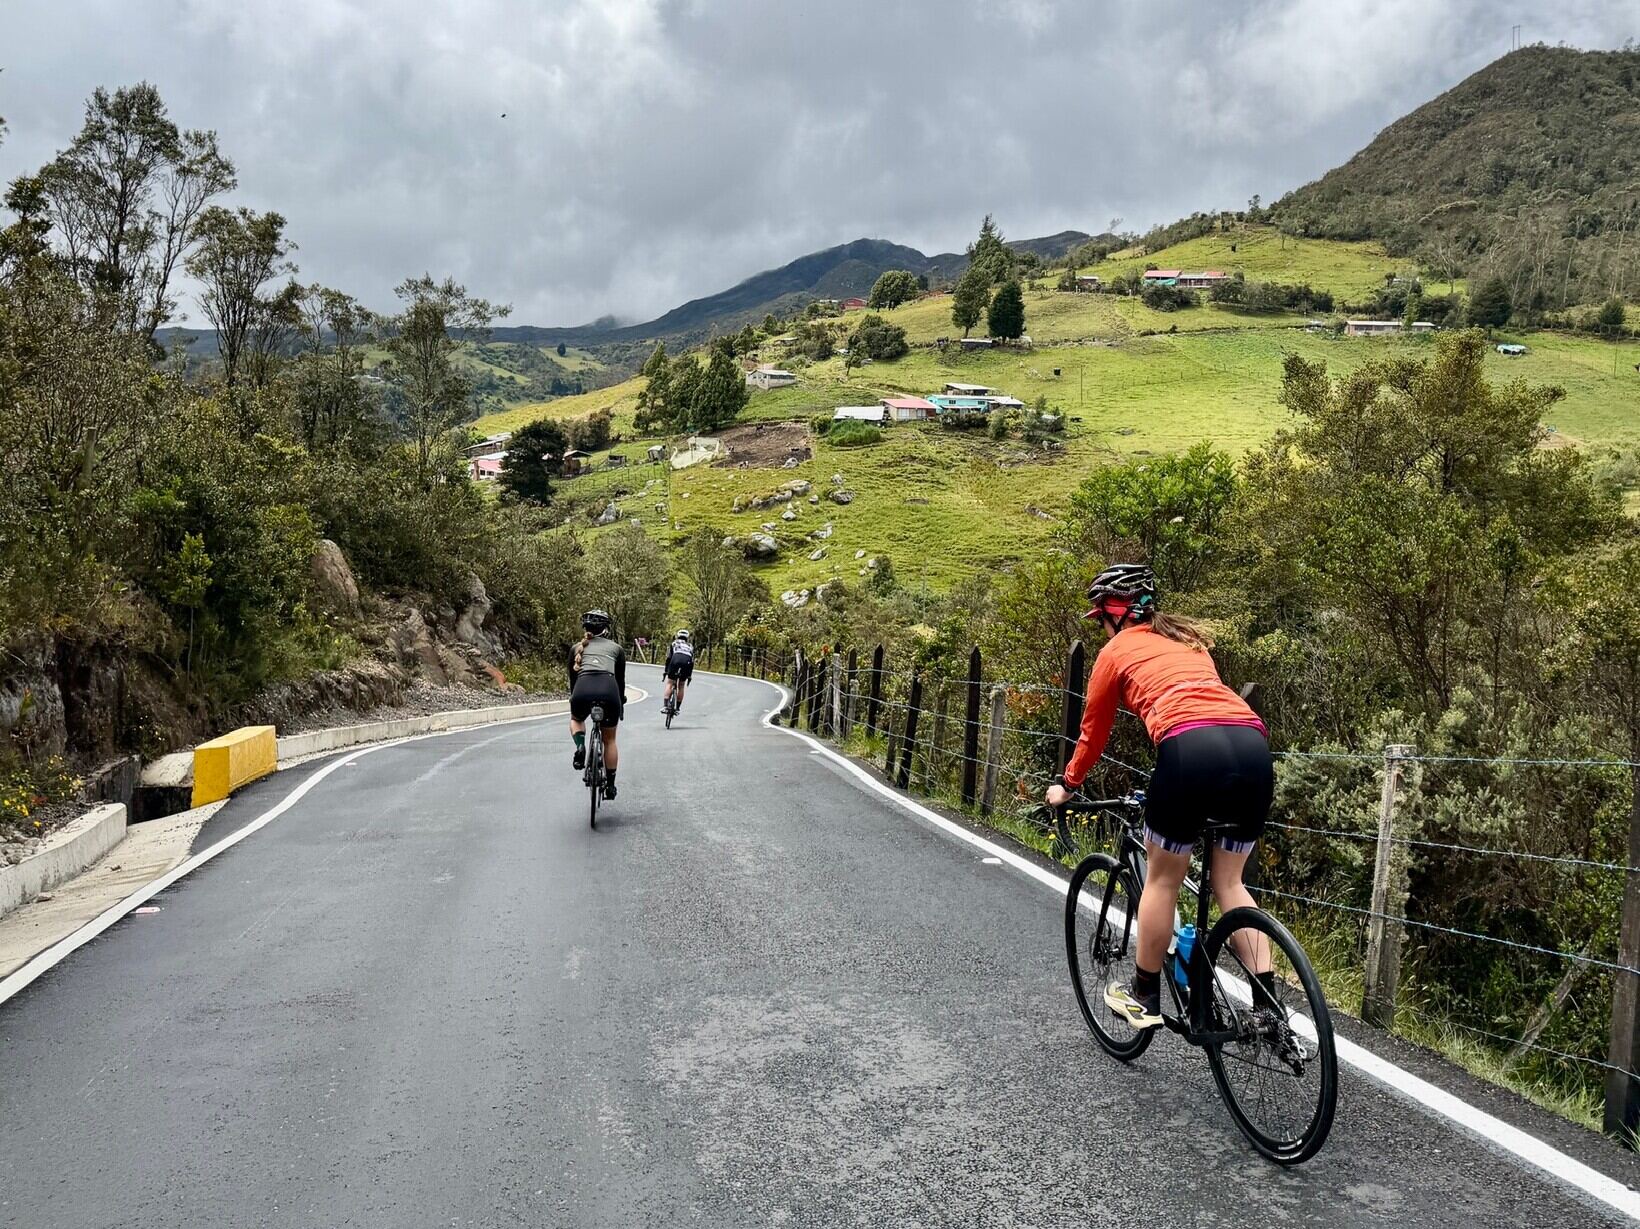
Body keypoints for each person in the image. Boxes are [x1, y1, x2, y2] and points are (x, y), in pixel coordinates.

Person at [1044, 563, 1275, 1030]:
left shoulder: (1116, 651)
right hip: (1253, 746)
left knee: (1163, 879)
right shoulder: (1191, 643)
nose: (1102, 627)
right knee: (1229, 883)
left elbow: (1093, 735)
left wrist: (1067, 786)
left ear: (1115, 613)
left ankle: (1145, 995)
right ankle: (1269, 1008)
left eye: (1101, 617)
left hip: (1188, 751)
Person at [570, 609, 626, 800]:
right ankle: (610, 785)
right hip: (609, 691)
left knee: (576, 720)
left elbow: (572, 680)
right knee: (609, 740)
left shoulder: (576, 648)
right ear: (606, 629)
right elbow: (620, 681)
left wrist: (575, 700)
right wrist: (621, 702)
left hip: (582, 690)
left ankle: (580, 746)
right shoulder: (616, 649)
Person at [663, 628, 694, 714]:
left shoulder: (674, 643)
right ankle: (677, 708)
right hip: (686, 663)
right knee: (681, 685)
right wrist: (689, 675)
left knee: (669, 683)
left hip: (675, 661)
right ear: (687, 638)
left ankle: (665, 706)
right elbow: (692, 662)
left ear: (678, 636)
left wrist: (666, 671)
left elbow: (669, 658)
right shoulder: (690, 646)